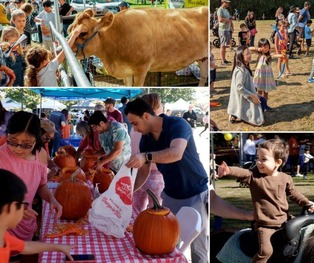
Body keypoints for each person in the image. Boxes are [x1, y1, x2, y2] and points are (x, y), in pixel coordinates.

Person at [125, 98, 208, 263]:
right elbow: (143, 172)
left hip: (196, 192)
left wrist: (146, 156)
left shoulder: (178, 124)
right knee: (167, 244)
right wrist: (128, 192)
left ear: (146, 116)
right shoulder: (146, 139)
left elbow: (176, 153)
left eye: (135, 123)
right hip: (170, 194)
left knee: (198, 248)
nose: (134, 129)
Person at [218, 138, 314, 263]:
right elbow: (243, 172)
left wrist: (306, 203)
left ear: (278, 162)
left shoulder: (286, 178)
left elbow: (294, 194)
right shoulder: (254, 176)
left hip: (285, 221)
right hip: (265, 225)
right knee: (266, 252)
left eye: (263, 159)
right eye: (257, 158)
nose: (258, 162)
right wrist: (229, 170)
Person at [0, 112, 62, 247]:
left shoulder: (41, 155)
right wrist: (18, 207)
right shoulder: (1, 156)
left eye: (26, 144)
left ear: (36, 139)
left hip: (26, 224)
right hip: (4, 226)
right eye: (12, 141)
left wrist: (52, 199)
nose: (18, 148)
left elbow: (41, 185)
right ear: (7, 135)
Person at [0, 169, 74, 263]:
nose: (25, 209)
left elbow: (26, 246)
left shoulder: (3, 236)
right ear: (13, 207)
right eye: (25, 205)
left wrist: (59, 247)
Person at [130, 93, 165, 212]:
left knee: (135, 210)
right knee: (155, 212)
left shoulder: (134, 126)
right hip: (155, 175)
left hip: (136, 173)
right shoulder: (158, 126)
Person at [227, 46, 265, 126]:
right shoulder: (241, 70)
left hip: (244, 96)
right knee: (258, 121)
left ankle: (236, 113)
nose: (250, 55)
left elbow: (246, 85)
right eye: (247, 54)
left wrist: (255, 94)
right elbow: (239, 87)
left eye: (249, 53)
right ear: (241, 56)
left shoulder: (244, 68)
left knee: (262, 101)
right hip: (243, 97)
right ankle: (235, 113)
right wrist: (252, 96)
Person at [250, 38, 282, 109]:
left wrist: (283, 55)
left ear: (269, 47)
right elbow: (249, 49)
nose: (264, 48)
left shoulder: (270, 54)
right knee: (259, 92)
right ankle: (259, 106)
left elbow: (277, 55)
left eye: (266, 46)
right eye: (262, 46)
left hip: (267, 77)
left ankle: (265, 105)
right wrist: (257, 49)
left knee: (266, 92)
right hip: (259, 76)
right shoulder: (259, 53)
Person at [217, 0, 232, 65]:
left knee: (225, 46)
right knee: (223, 45)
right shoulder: (220, 10)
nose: (228, 3)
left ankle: (224, 59)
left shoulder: (226, 10)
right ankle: (222, 61)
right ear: (223, 2)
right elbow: (220, 19)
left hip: (227, 29)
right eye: (227, 2)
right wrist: (227, 19)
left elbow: (229, 18)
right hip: (223, 30)